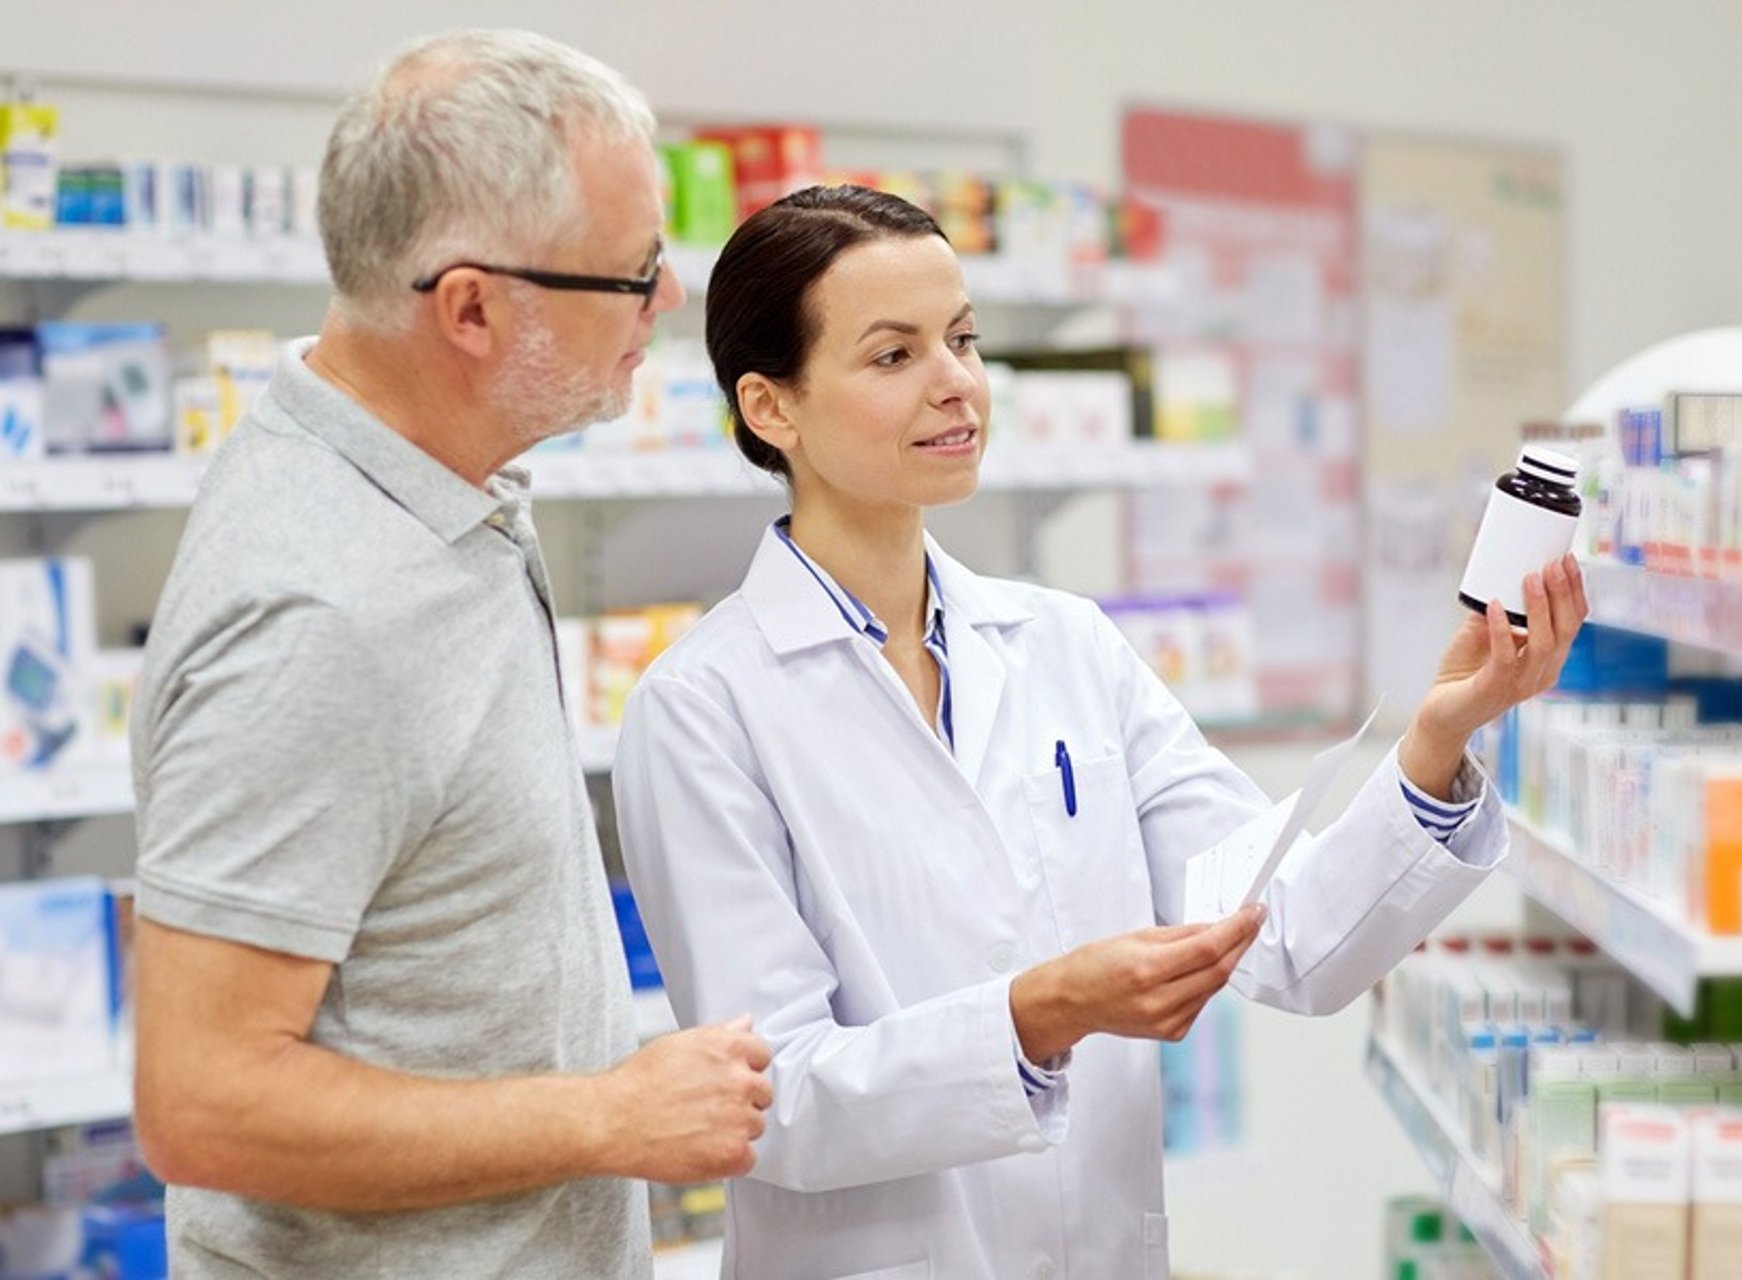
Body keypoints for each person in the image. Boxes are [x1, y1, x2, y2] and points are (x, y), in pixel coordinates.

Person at [612, 184, 1589, 1279]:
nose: (957, 383)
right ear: (770, 407)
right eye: (894, 356)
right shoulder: (704, 708)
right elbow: (771, 1097)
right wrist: (1036, 1013)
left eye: (964, 339)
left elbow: (1285, 937)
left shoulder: (1064, 643)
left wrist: (1436, 745)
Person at [131, 30, 771, 1278]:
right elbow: (202, 1101)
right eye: (633, 273)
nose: (667, 303)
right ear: (472, 307)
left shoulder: (432, 490)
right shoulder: (323, 608)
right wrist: (609, 1113)